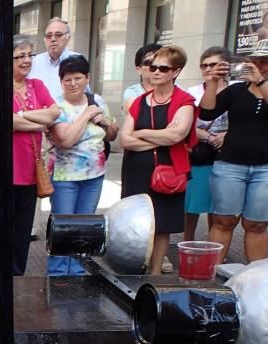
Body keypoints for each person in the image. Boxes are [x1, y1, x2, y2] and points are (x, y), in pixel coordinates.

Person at [120, 46, 196, 274]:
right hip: (136, 170)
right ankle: (135, 267)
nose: (156, 72)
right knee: (135, 223)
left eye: (163, 68)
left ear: (176, 71)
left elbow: (177, 135)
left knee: (162, 225)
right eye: (152, 66)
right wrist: (160, 137)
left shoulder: (185, 101)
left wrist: (141, 133)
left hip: (169, 171)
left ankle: (155, 274)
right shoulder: (139, 101)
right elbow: (124, 139)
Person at [47, 55, 118, 275]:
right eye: (67, 79)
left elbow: (113, 135)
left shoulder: (97, 101)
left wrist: (104, 121)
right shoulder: (57, 107)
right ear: (61, 82)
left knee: (85, 227)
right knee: (64, 227)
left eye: (78, 78)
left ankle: (78, 272)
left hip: (94, 177)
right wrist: (86, 115)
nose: (73, 83)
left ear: (87, 78)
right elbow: (65, 140)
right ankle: (58, 273)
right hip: (64, 178)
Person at [199, 40, 268, 264]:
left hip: (265, 168)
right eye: (254, 60)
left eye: (264, 61)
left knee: (257, 224)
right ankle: (211, 275)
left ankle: (254, 279)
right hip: (230, 165)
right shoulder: (236, 90)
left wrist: (261, 81)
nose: (258, 65)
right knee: (223, 220)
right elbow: (207, 113)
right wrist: (212, 81)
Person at [11, 35, 60, 276]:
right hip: (6, 170)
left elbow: (54, 114)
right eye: (20, 55)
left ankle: (17, 274)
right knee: (2, 229)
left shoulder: (37, 85)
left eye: (29, 55)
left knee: (21, 229)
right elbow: (6, 121)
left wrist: (24, 117)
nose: (26, 60)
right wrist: (37, 122)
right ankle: (0, 275)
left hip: (31, 172)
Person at [183, 47, 233, 244]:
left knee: (217, 206)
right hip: (200, 154)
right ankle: (187, 243)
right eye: (204, 65)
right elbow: (185, 125)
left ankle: (215, 247)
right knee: (192, 205)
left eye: (213, 64)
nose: (208, 69)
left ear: (226, 66)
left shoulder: (238, 88)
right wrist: (208, 136)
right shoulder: (193, 92)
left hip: (228, 155)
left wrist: (226, 135)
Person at [29, 17, 80, 99]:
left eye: (58, 35)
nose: (53, 39)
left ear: (68, 38)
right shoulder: (35, 62)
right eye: (49, 36)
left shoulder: (77, 60)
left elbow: (85, 95)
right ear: (44, 39)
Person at [122, 43, 161, 116]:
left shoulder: (177, 90)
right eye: (149, 63)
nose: (156, 67)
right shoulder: (132, 92)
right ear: (138, 70)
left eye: (160, 63)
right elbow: (138, 119)